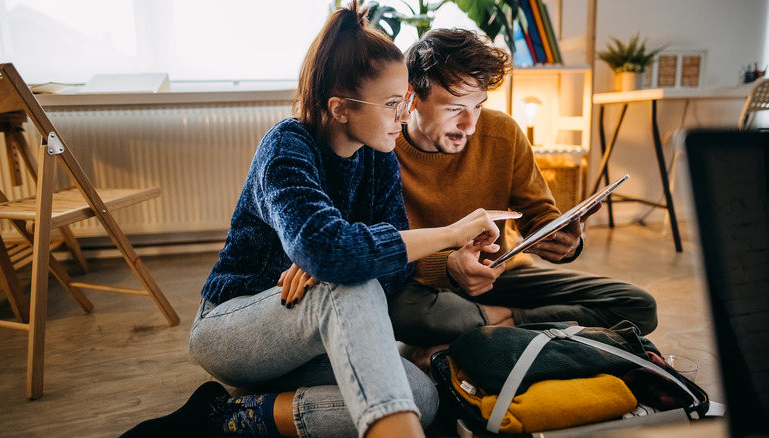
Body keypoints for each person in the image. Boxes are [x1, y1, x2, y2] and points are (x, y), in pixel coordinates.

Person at [121, 5, 516, 438]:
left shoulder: (379, 159)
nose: (403, 116)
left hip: (315, 330)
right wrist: (447, 235)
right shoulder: (287, 147)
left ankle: (235, 414)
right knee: (349, 281)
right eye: (390, 104)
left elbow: (395, 272)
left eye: (403, 101)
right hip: (233, 327)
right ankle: (230, 413)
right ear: (340, 108)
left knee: (422, 399)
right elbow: (335, 254)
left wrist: (337, 259)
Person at [388, 29, 659, 369]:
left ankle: (495, 326)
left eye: (478, 106)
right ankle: (509, 331)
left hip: (500, 277)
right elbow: (383, 251)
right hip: (425, 288)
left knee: (637, 305)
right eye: (455, 108)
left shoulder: (502, 132)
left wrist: (564, 239)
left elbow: (539, 214)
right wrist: (448, 266)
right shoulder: (384, 147)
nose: (469, 125)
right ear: (412, 97)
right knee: (394, 310)